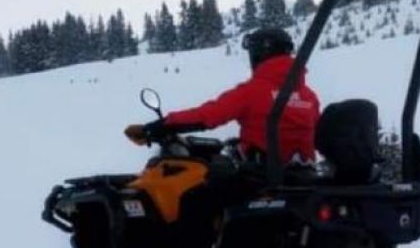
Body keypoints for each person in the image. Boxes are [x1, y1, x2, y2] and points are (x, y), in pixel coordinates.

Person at [124, 28, 321, 163]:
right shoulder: (309, 97)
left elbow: (207, 116)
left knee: (195, 191)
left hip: (259, 179)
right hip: (302, 178)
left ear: (259, 55)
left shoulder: (252, 91)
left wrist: (159, 126)